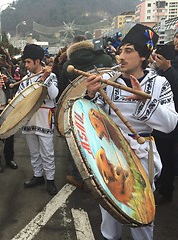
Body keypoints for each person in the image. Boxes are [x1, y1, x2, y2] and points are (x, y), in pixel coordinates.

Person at [84, 24, 178, 240]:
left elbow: (170, 123)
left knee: (141, 207)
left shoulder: (158, 83)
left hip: (141, 153)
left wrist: (144, 101)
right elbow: (92, 116)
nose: (121, 56)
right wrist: (89, 95)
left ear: (144, 56)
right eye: (120, 50)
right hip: (110, 151)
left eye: (129, 50)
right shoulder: (108, 80)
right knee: (109, 206)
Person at [59, 38, 113, 189]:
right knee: (102, 140)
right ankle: (105, 176)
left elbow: (62, 91)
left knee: (77, 140)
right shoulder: (105, 58)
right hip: (102, 107)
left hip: (78, 108)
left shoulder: (67, 65)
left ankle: (79, 177)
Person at [152, 20, 178, 205]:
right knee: (156, 151)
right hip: (157, 110)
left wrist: (167, 68)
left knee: (167, 153)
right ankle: (156, 185)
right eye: (176, 36)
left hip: (173, 115)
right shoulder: (171, 55)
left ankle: (166, 191)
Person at [17, 44, 59, 195]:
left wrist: (45, 78)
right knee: (34, 151)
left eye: (28, 62)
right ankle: (38, 175)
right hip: (29, 119)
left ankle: (50, 179)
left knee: (47, 151)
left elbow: (53, 95)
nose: (26, 65)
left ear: (37, 61)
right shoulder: (25, 79)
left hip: (44, 117)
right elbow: (19, 97)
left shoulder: (52, 76)